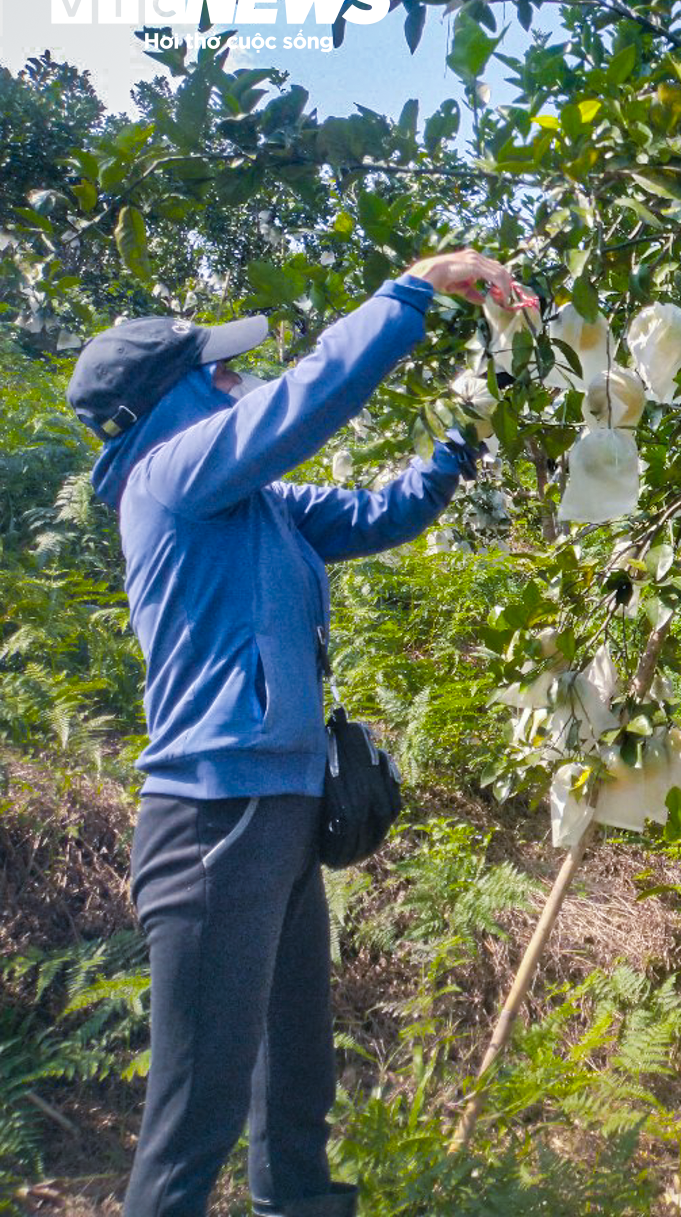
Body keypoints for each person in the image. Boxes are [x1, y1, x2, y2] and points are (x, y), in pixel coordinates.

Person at [66, 249, 519, 1217]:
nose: (239, 380)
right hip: (210, 820)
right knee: (196, 1112)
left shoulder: (254, 507)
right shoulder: (172, 475)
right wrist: (415, 291)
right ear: (175, 399)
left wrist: (465, 437)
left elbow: (380, 510)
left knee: (295, 1079)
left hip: (273, 807)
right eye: (219, 372)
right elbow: (306, 400)